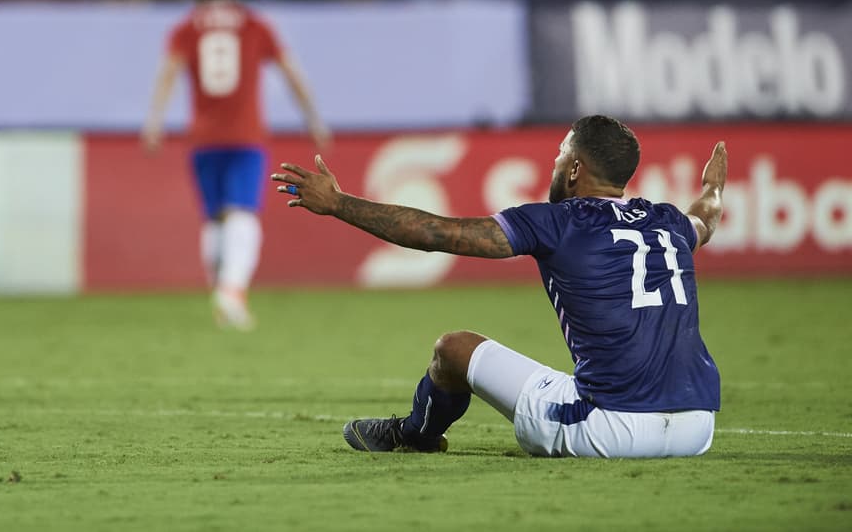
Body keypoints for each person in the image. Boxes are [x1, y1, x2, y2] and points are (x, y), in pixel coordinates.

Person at [272, 115, 725, 458]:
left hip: (608, 429)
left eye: (560, 155)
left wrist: (338, 203)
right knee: (574, 378)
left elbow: (437, 234)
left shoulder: (555, 222)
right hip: (697, 427)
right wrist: (713, 188)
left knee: (453, 349)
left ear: (575, 169)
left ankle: (416, 436)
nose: (556, 161)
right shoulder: (668, 222)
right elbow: (705, 217)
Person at [143, 0, 329, 330]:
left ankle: (220, 289)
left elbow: (168, 73)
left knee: (215, 218)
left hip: (202, 138)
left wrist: (154, 122)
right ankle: (231, 294)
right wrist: (313, 119)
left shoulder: (186, 27)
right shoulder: (254, 23)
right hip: (246, 136)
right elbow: (291, 72)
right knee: (242, 212)